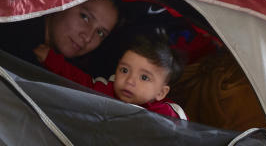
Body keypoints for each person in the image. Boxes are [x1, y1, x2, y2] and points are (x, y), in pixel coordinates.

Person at [35, 32, 187, 120]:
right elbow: (79, 82)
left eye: (144, 78)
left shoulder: (166, 115)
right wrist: (51, 59)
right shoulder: (107, 90)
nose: (129, 81)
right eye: (124, 70)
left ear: (161, 92)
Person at [0, 0, 120, 70]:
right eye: (85, 17)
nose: (88, 37)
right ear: (66, 1)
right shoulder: (5, 28)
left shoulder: (63, 73)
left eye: (100, 33)